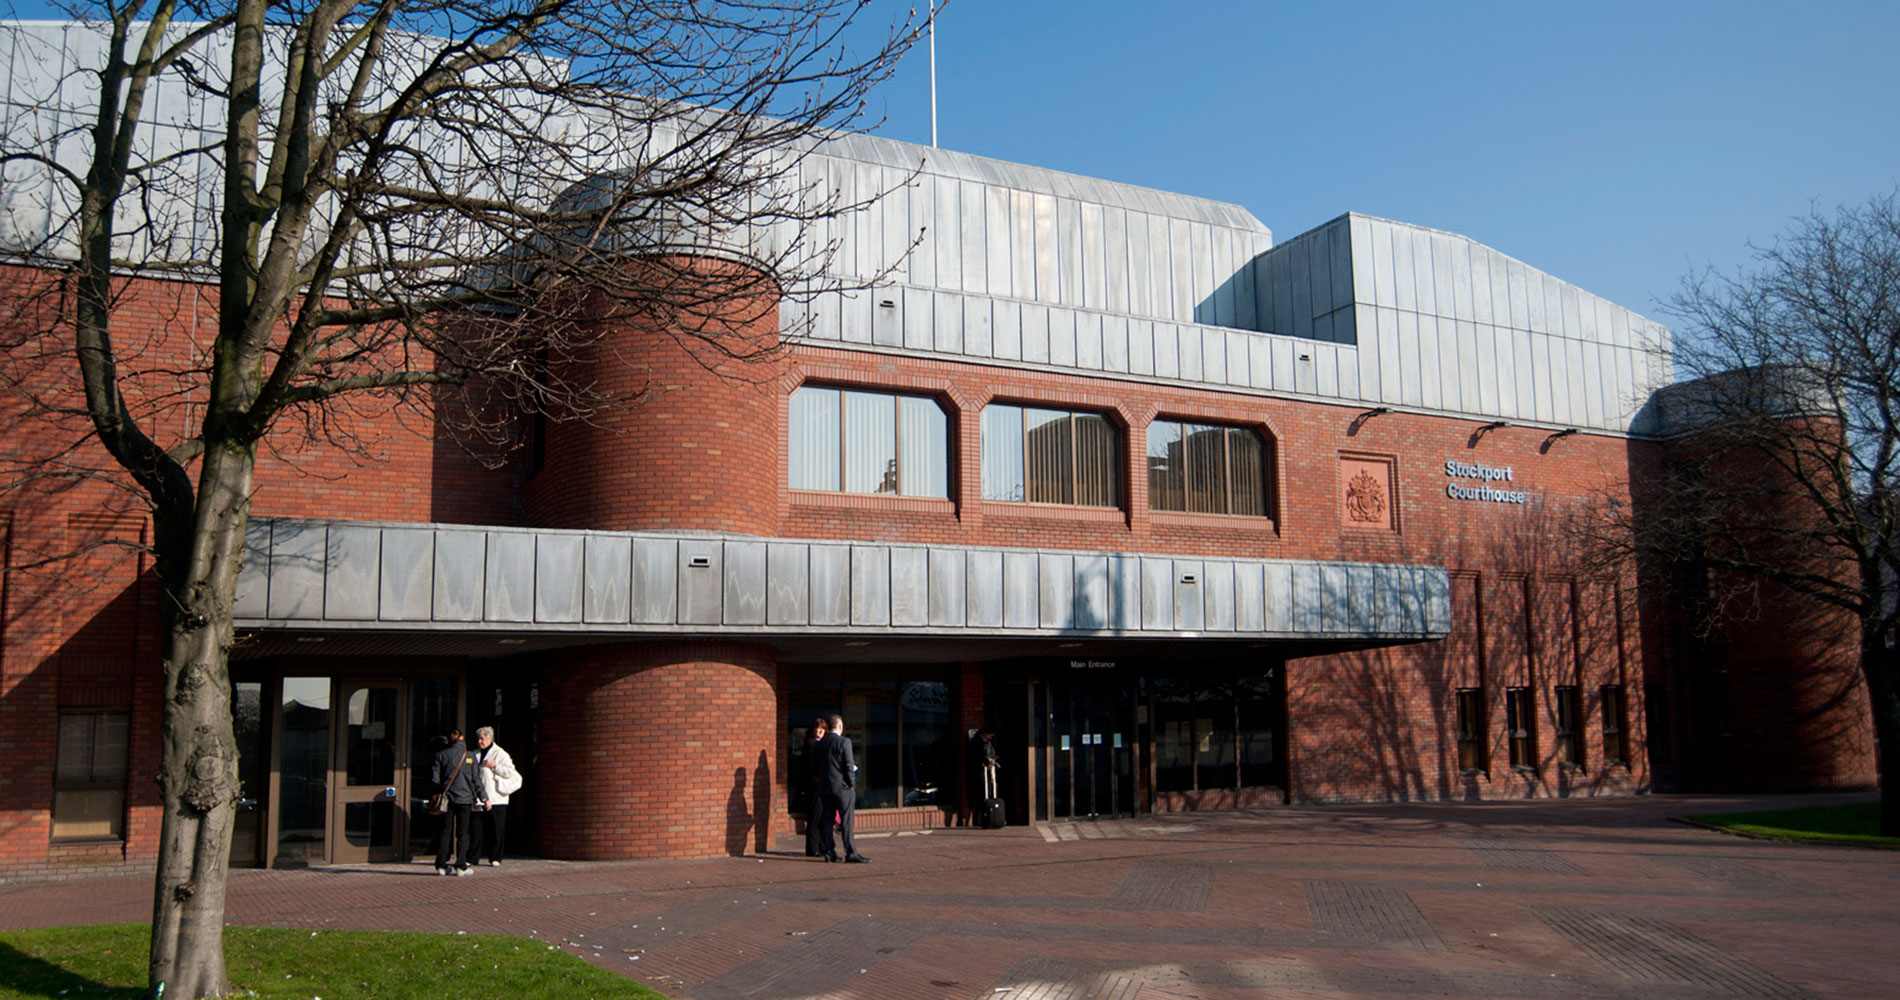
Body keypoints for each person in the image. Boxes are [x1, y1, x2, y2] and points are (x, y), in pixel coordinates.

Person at [816, 713, 869, 863]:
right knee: (846, 821)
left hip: (825, 787)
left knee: (827, 820)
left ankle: (829, 852)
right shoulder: (844, 742)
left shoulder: (820, 744)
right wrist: (852, 784)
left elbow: (815, 767)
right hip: (842, 788)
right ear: (839, 726)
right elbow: (848, 765)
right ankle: (850, 852)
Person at [432, 728, 480, 875]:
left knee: (445, 831)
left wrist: (444, 788)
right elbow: (476, 780)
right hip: (465, 799)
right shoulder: (469, 756)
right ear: (462, 738)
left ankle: (441, 864)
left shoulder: (441, 755)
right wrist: (481, 796)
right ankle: (461, 865)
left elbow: (435, 779)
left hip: (447, 798)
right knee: (463, 833)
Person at [471, 726, 522, 866]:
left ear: (490, 738)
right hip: (479, 798)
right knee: (476, 828)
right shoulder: (475, 754)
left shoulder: (500, 754)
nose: (480, 742)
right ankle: (473, 857)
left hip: (496, 798)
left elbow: (509, 772)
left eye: (482, 738)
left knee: (496, 829)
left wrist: (494, 766)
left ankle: (496, 857)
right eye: (478, 739)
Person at [803, 717, 828, 858]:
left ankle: (819, 846)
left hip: (819, 785)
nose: (819, 732)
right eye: (817, 729)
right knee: (814, 817)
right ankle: (813, 848)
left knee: (820, 817)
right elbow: (811, 768)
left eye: (822, 729)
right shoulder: (812, 745)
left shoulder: (820, 744)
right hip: (815, 786)